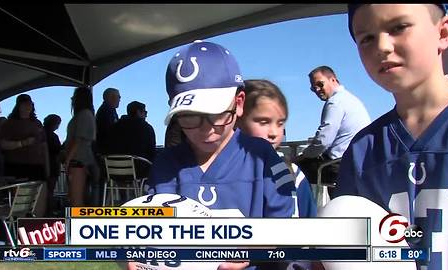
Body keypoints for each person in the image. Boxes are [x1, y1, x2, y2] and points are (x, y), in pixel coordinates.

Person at [137, 41, 296, 270]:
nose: (206, 128)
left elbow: (289, 234)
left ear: (239, 103)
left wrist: (253, 249)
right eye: (189, 116)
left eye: (217, 112)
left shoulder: (266, 161)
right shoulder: (164, 166)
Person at [333, 4, 448, 270]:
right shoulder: (362, 151)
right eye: (365, 37)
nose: (382, 46)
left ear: (444, 32)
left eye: (399, 27)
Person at [237, 79, 317, 218]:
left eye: (280, 123)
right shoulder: (224, 170)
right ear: (237, 120)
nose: (274, 133)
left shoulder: (295, 174)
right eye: (263, 122)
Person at [294, 65, 371, 197]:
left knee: (292, 169)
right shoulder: (351, 99)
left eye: (320, 84)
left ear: (333, 80)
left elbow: (323, 140)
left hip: (339, 165)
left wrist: (303, 155)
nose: (317, 90)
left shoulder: (335, 102)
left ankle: (300, 211)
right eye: (313, 88)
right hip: (358, 162)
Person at [0, 94, 48, 216]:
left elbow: (44, 146)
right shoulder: (10, 123)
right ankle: (19, 224)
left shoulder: (37, 123)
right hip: (17, 165)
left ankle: (37, 223)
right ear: (18, 106)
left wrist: (47, 167)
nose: (28, 106)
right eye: (24, 103)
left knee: (39, 196)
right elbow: (2, 144)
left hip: (37, 165)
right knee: (21, 200)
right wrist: (22, 143)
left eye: (30, 103)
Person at [64, 87, 99, 207]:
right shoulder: (87, 115)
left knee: (76, 200)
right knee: (79, 198)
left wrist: (68, 160)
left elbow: (78, 140)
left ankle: (76, 223)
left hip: (79, 160)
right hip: (84, 159)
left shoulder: (83, 115)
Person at [43, 114, 62, 216]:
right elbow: (57, 150)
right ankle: (48, 211)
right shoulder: (53, 136)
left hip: (43, 165)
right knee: (50, 190)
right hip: (52, 165)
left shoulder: (41, 133)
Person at [95, 87, 120, 154]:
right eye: (119, 97)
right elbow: (110, 131)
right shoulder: (106, 111)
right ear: (110, 97)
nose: (120, 99)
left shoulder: (110, 110)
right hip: (106, 150)